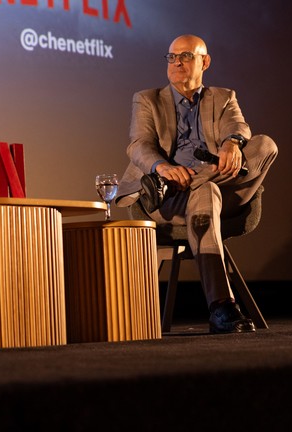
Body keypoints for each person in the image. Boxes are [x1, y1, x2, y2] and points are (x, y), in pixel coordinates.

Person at [115, 34, 277, 334]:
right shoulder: (147, 99)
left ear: (205, 61)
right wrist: (163, 167)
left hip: (223, 189)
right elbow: (138, 145)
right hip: (170, 199)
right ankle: (221, 307)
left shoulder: (224, 96)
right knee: (206, 190)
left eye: (186, 56)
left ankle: (198, 181)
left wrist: (232, 143)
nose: (177, 63)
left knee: (265, 145)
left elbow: (238, 125)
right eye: (172, 57)